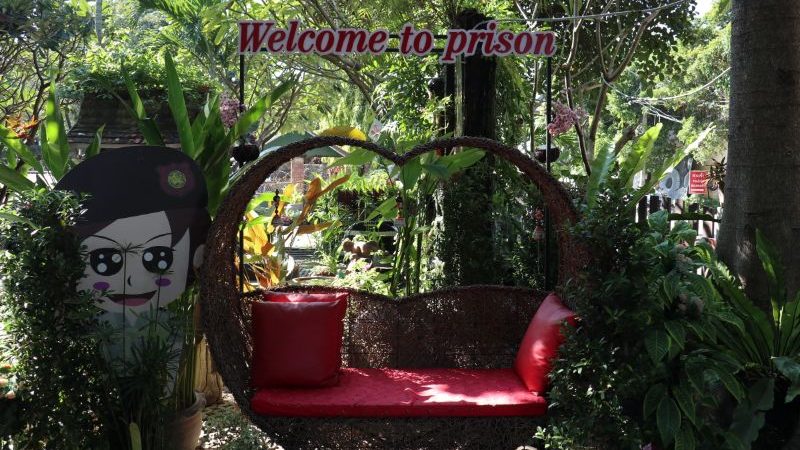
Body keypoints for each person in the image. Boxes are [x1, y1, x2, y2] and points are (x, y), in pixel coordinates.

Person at [56, 146, 210, 364]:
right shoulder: (88, 328)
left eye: (158, 257)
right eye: (105, 261)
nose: (133, 279)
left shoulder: (173, 328)